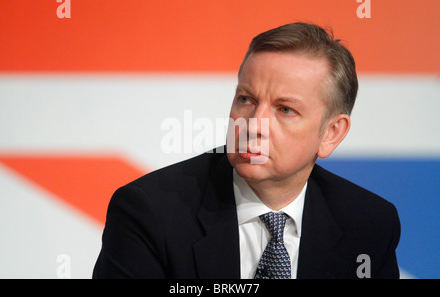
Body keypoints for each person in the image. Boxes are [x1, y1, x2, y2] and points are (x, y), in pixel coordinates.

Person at [93, 22, 400, 279]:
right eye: (246, 99)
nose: (254, 124)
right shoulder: (149, 212)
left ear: (331, 134)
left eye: (285, 109)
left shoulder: (369, 224)